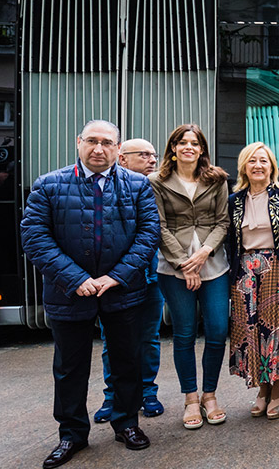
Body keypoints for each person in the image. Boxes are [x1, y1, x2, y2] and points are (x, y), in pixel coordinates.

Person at [22, 120, 159, 468]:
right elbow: (34, 237)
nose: (99, 149)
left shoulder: (138, 185)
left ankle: (127, 424)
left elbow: (148, 234)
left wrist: (116, 276)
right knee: (70, 368)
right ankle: (71, 435)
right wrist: (76, 278)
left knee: (128, 361)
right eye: (92, 141)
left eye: (107, 143)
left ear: (118, 149)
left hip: (122, 291)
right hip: (69, 293)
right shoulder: (48, 185)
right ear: (78, 142)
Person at [148, 124, 231, 430]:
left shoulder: (217, 179)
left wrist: (204, 253)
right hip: (174, 268)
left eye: (194, 143)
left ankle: (210, 394)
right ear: (173, 148)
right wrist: (184, 264)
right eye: (182, 142)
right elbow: (159, 225)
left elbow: (223, 221)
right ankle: (191, 399)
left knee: (218, 328)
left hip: (213, 264)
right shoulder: (156, 181)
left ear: (201, 149)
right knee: (183, 333)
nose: (188, 147)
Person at [226, 141, 279, 420]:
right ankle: (262, 390)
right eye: (252, 161)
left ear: (272, 165)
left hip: (277, 269)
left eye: (263, 161)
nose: (258, 166)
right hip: (245, 271)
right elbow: (229, 241)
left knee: (277, 330)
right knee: (250, 332)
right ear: (244, 167)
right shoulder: (234, 200)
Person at [93, 138, 164, 424]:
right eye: (144, 155)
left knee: (149, 337)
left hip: (151, 277)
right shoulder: (105, 188)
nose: (152, 159)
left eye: (154, 155)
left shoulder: (160, 186)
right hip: (116, 279)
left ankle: (147, 392)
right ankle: (113, 397)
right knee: (112, 340)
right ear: (122, 159)